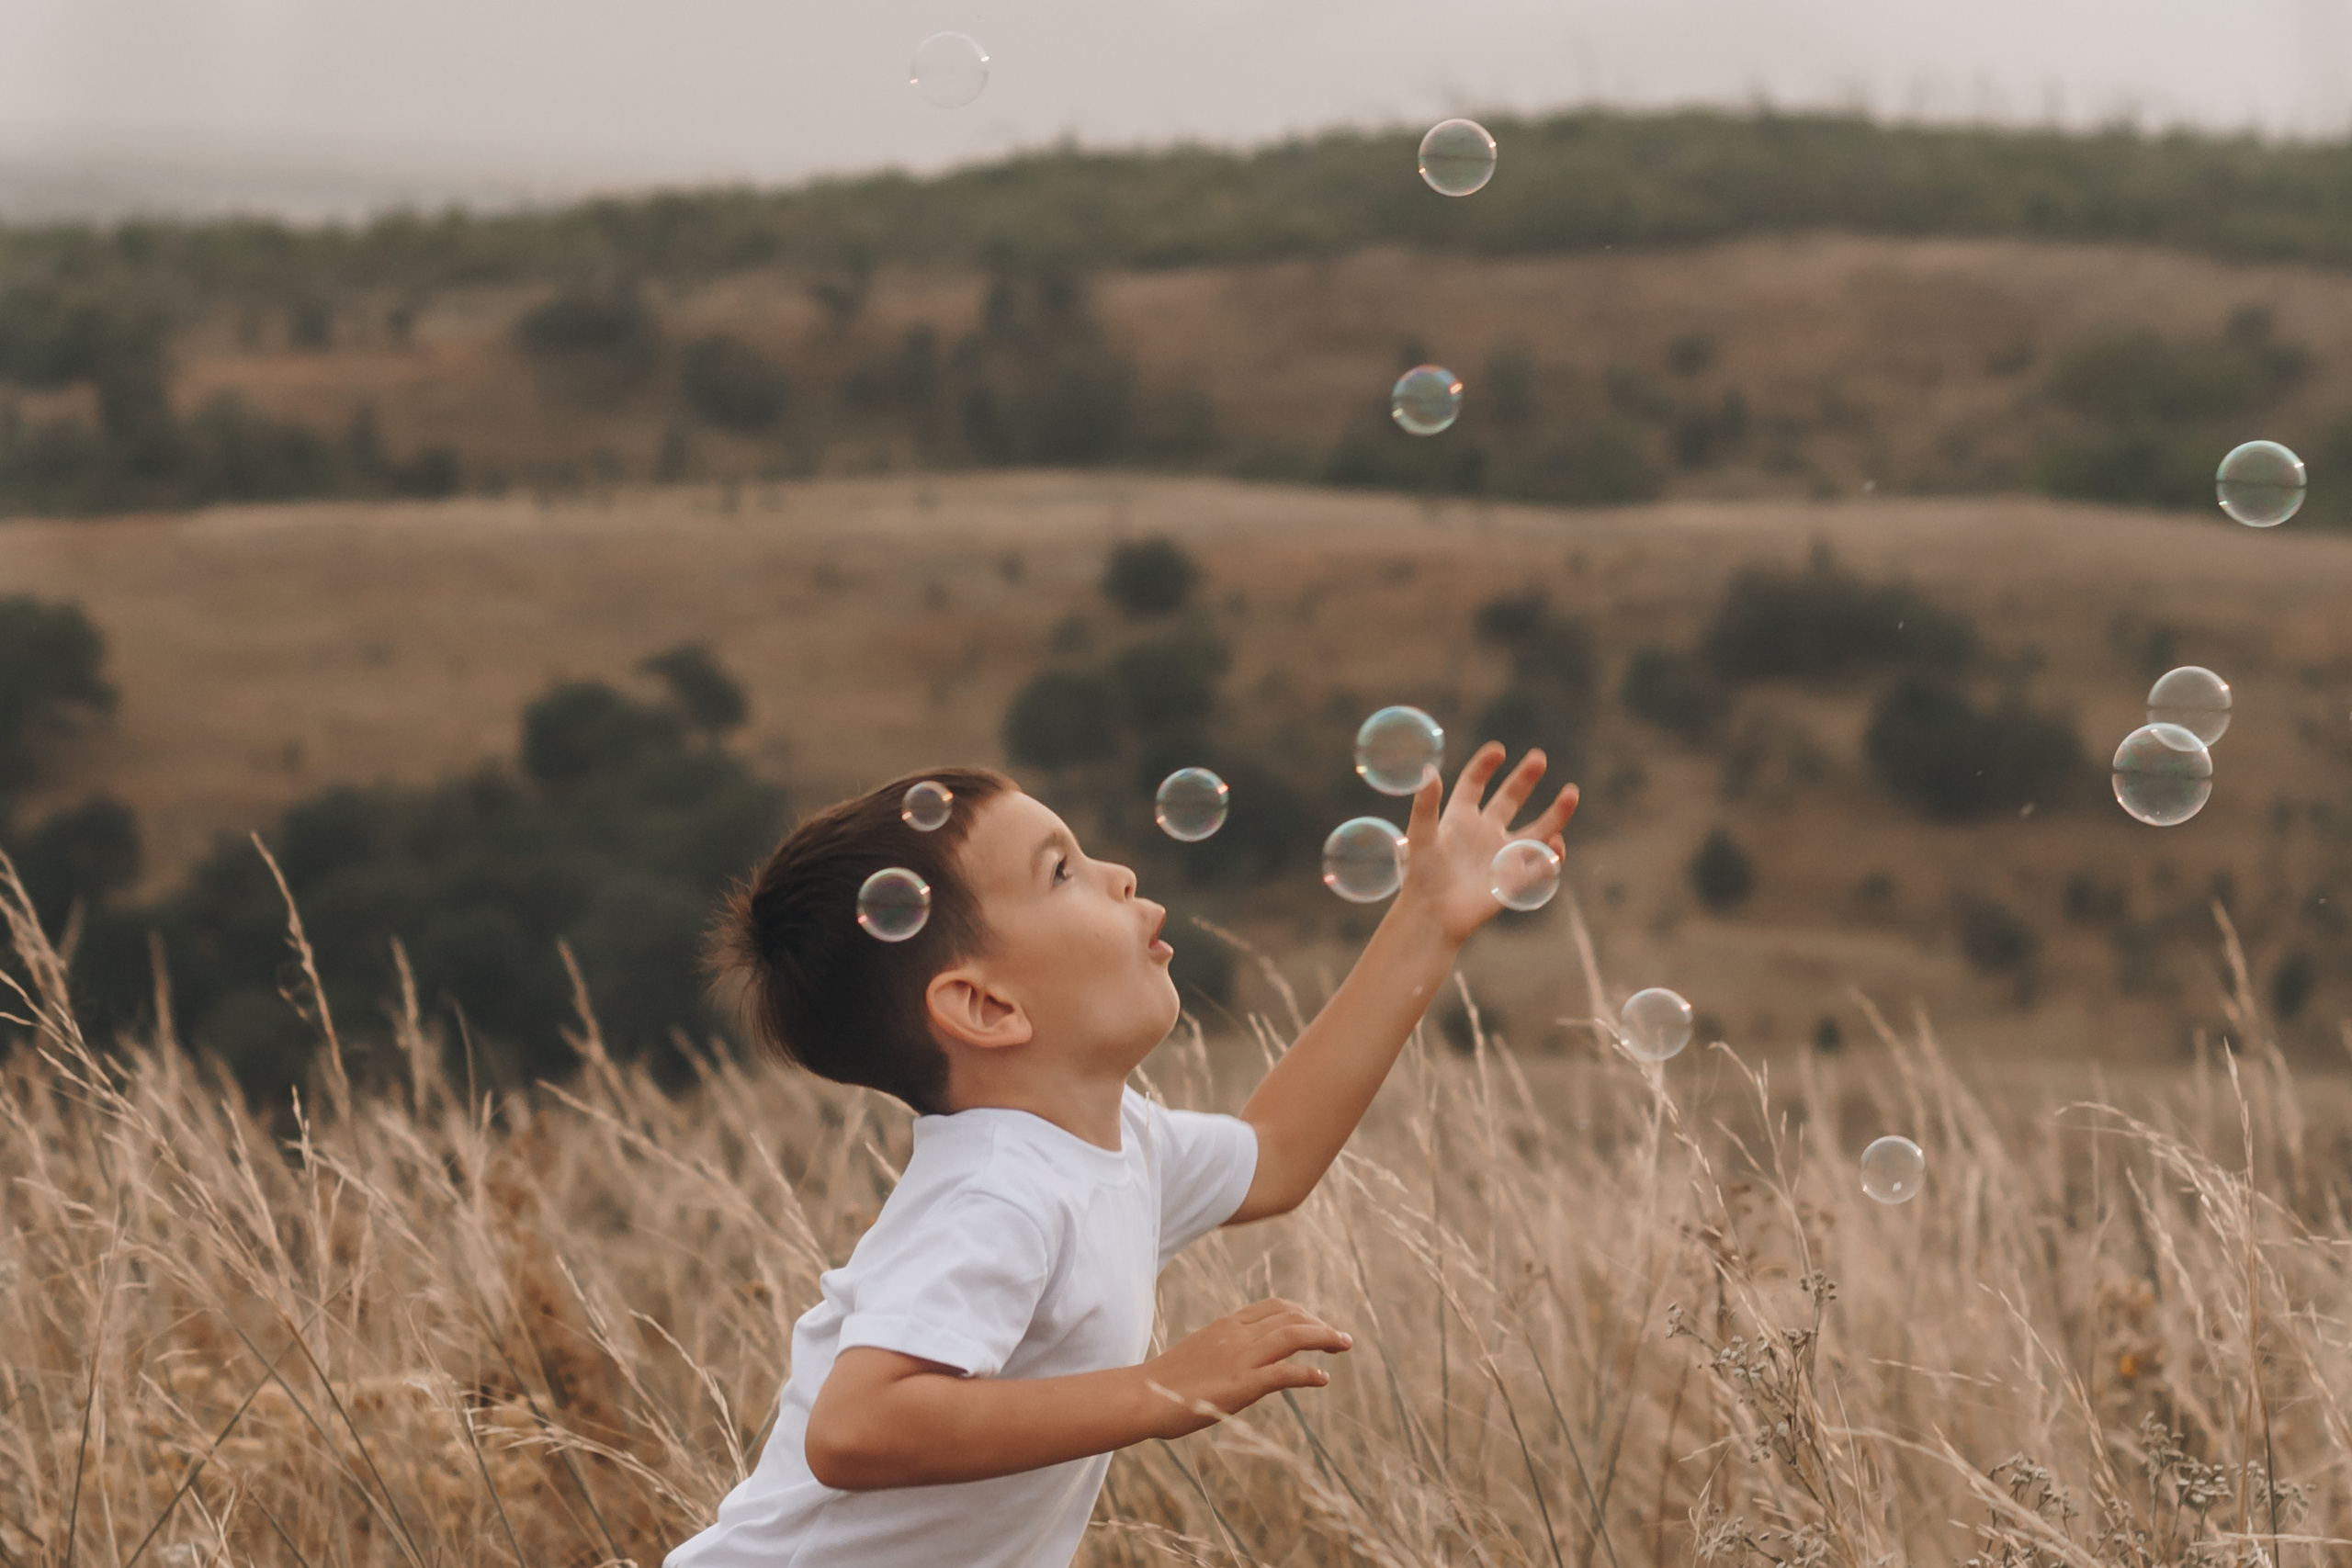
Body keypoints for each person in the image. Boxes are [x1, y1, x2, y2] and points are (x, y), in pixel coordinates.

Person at [667, 744, 1577, 1568]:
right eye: (1062, 870)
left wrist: (1427, 919)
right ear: (985, 1007)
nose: (1118, 873)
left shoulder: (1115, 1141)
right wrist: (1159, 1389)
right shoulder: (996, 1194)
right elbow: (858, 1427)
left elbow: (1277, 1155)